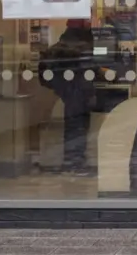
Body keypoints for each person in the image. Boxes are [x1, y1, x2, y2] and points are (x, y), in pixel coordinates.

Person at [39, 20, 98, 176]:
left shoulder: (63, 42)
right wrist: (90, 93)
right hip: (78, 92)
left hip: (67, 92)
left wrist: (61, 89)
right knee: (79, 128)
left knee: (72, 126)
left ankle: (71, 161)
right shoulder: (82, 44)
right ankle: (75, 163)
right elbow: (86, 72)